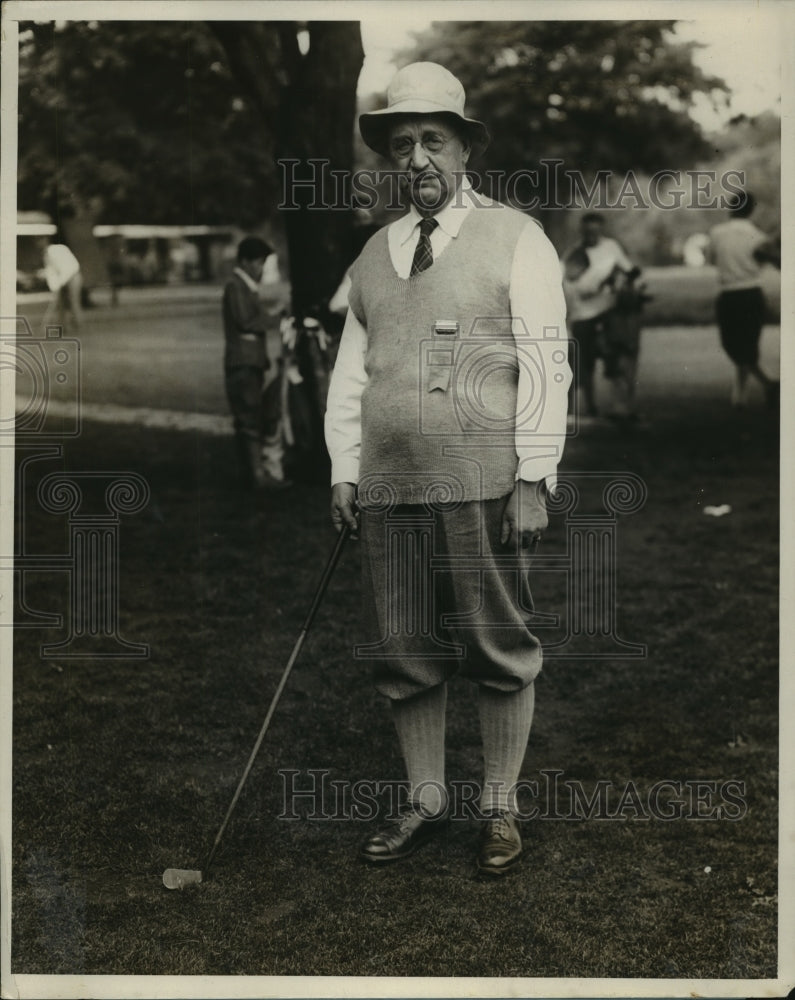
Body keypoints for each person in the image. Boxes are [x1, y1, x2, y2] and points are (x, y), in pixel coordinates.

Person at [325, 62, 571, 876]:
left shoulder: (516, 236)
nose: (417, 158)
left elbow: (546, 363)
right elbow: (351, 373)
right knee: (406, 651)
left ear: (464, 150)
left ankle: (498, 810)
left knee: (496, 645)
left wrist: (534, 476)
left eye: (434, 139)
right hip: (390, 485)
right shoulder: (372, 252)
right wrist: (343, 469)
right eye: (401, 144)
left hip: (484, 482)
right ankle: (424, 803)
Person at [222, 236, 290, 491]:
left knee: (249, 419)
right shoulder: (236, 286)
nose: (261, 269)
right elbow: (245, 321)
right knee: (249, 420)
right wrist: (274, 319)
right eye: (259, 263)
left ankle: (252, 476)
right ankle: (257, 478)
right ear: (245, 262)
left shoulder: (244, 286)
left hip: (249, 362)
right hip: (243, 363)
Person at [561, 213, 639, 420]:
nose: (592, 235)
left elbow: (630, 270)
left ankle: (621, 405)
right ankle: (585, 406)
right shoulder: (574, 255)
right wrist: (594, 287)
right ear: (582, 231)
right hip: (583, 313)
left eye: (596, 231)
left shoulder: (611, 247)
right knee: (580, 361)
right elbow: (572, 286)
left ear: (601, 230)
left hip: (608, 309)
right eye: (588, 231)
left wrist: (621, 282)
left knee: (618, 353)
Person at [707, 191, 780, 408]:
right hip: (750, 293)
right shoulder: (758, 237)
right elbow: (770, 261)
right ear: (752, 210)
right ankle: (764, 385)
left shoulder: (717, 233)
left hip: (729, 293)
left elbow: (712, 259)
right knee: (747, 344)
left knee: (732, 344)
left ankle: (743, 394)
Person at [40, 240, 82, 333]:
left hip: (73, 274)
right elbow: (51, 273)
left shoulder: (56, 251)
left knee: (73, 301)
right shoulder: (46, 256)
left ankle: (78, 327)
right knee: (59, 304)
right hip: (62, 278)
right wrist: (55, 287)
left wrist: (59, 283)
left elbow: (69, 269)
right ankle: (63, 327)